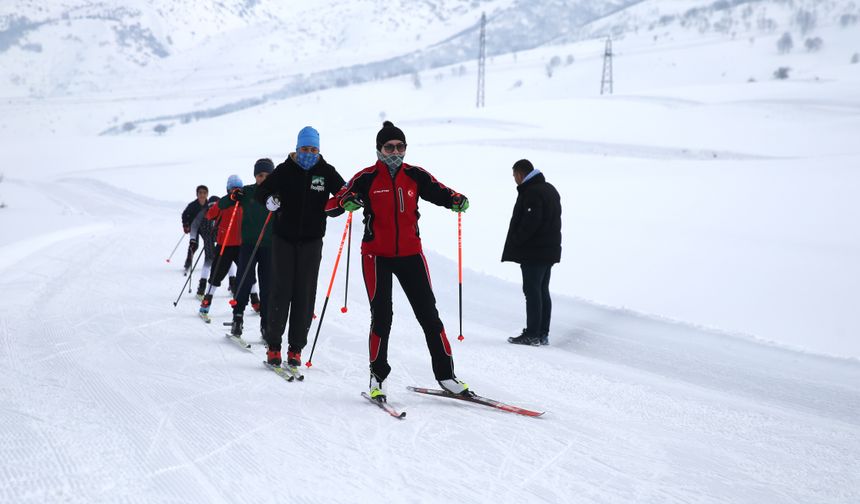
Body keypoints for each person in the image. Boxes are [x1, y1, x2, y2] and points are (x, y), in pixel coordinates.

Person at [328, 121, 471, 401]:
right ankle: (376, 377)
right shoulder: (366, 178)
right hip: (376, 256)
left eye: (400, 146)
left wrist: (456, 199)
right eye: (389, 147)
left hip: (411, 255)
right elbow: (332, 204)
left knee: (429, 315)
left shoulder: (415, 175)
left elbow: (441, 192)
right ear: (379, 149)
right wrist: (344, 203)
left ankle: (446, 376)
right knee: (382, 317)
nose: (395, 152)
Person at [256, 126, 346, 368]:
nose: (309, 153)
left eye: (314, 149)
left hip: (312, 241)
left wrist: (343, 205)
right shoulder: (284, 170)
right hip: (283, 239)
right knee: (281, 290)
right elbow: (261, 192)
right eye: (305, 149)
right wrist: (269, 201)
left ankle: (295, 349)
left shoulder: (326, 171)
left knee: (304, 294)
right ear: (297, 149)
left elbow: (343, 196)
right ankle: (274, 345)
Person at [502, 159, 562, 346]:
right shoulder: (548, 189)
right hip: (547, 250)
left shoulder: (532, 192)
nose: (514, 180)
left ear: (520, 174)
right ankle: (542, 333)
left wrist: (516, 240)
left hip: (535, 252)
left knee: (532, 291)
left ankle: (533, 334)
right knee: (542, 290)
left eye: (514, 176)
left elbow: (531, 223)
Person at [226, 159, 273, 339]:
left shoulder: (277, 194)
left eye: (267, 175)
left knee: (267, 286)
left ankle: (266, 324)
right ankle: (237, 318)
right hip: (248, 245)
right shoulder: (247, 192)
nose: (264, 178)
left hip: (269, 247)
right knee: (244, 280)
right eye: (260, 175)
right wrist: (232, 196)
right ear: (255, 176)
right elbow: (224, 204)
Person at [200, 176, 245, 317]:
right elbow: (210, 215)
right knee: (216, 274)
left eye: (238, 189)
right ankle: (206, 301)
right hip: (224, 245)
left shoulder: (244, 204)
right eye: (233, 188)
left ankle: (255, 300)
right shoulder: (223, 203)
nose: (235, 191)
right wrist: (215, 206)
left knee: (247, 272)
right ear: (227, 190)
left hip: (241, 245)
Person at [190, 195, 219, 299]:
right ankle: (201, 288)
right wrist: (193, 239)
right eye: (211, 206)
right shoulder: (203, 213)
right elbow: (195, 226)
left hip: (220, 236)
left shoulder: (222, 211)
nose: (213, 208)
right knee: (209, 260)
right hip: (208, 236)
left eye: (215, 206)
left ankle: (233, 283)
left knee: (225, 259)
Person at [181, 185, 209, 274]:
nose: (202, 195)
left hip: (205, 227)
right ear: (197, 194)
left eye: (204, 193)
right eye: (200, 193)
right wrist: (186, 225)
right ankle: (188, 262)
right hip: (194, 227)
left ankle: (209, 261)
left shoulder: (209, 205)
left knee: (209, 243)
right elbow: (185, 215)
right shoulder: (192, 205)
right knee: (194, 245)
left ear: (207, 194)